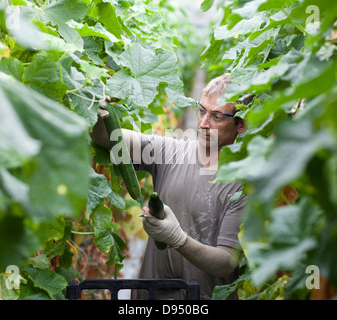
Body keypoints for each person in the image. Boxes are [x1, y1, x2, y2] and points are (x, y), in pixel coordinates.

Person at [91, 73, 250, 300]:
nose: (203, 123)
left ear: (240, 124)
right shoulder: (171, 151)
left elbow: (226, 262)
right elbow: (109, 139)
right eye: (201, 110)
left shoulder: (244, 184)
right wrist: (99, 117)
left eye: (216, 116)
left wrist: (179, 240)